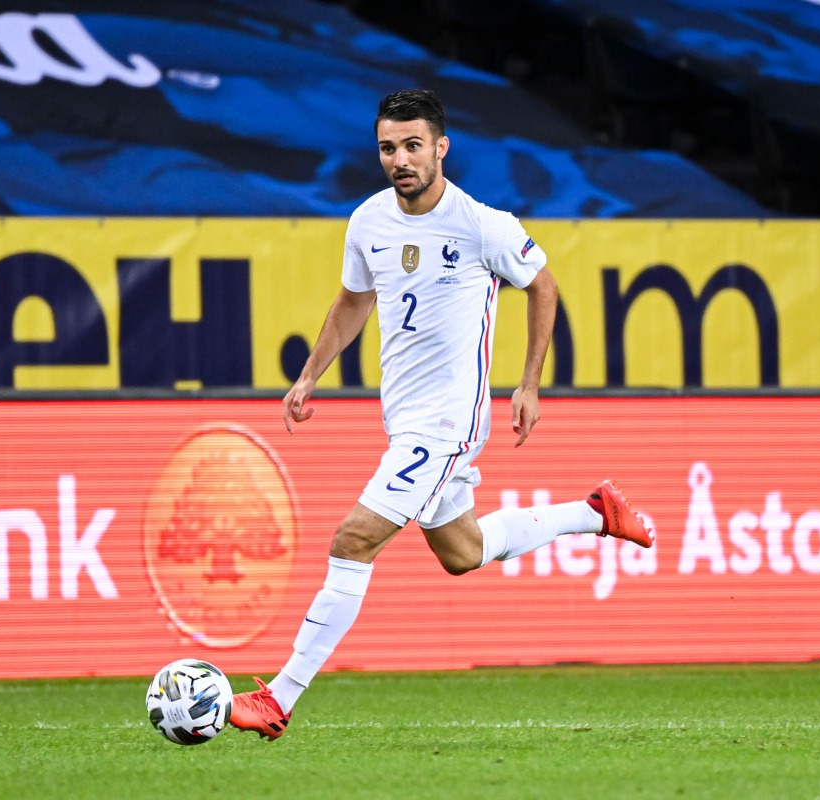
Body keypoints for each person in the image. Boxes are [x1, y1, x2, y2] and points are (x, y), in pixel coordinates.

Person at [228, 89, 653, 740]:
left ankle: (279, 698)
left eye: (412, 146)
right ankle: (594, 513)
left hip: (448, 423)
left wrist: (530, 381)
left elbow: (543, 283)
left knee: (352, 540)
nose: (400, 159)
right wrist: (310, 374)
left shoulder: (481, 224)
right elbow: (352, 301)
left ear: (441, 147)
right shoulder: (368, 221)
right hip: (405, 420)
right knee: (463, 551)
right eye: (388, 148)